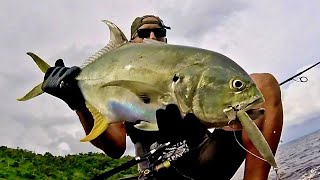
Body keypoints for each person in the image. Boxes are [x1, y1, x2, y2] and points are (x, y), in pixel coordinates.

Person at [42, 15, 283, 180]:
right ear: (130, 41)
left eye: (159, 32)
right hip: (159, 172)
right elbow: (114, 147)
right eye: (144, 32)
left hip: (203, 159)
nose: (153, 37)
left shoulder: (184, 67)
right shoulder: (114, 81)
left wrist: (231, 113)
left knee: (264, 84)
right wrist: (78, 103)